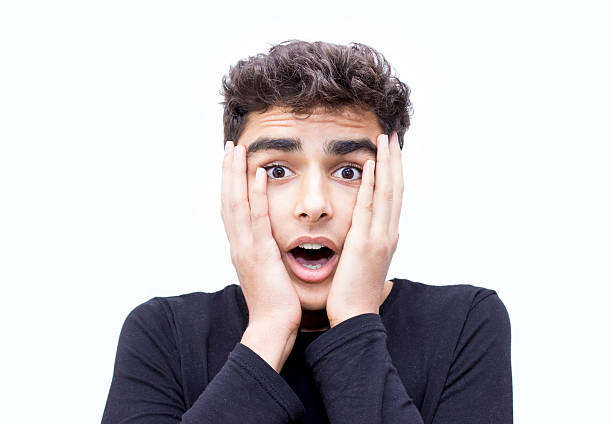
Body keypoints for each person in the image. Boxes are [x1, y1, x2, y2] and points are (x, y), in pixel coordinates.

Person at [101, 40, 512, 424]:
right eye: (277, 171)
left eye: (349, 171)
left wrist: (354, 320)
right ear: (233, 185)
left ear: (391, 182)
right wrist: (269, 329)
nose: (314, 205)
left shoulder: (464, 322)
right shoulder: (164, 332)